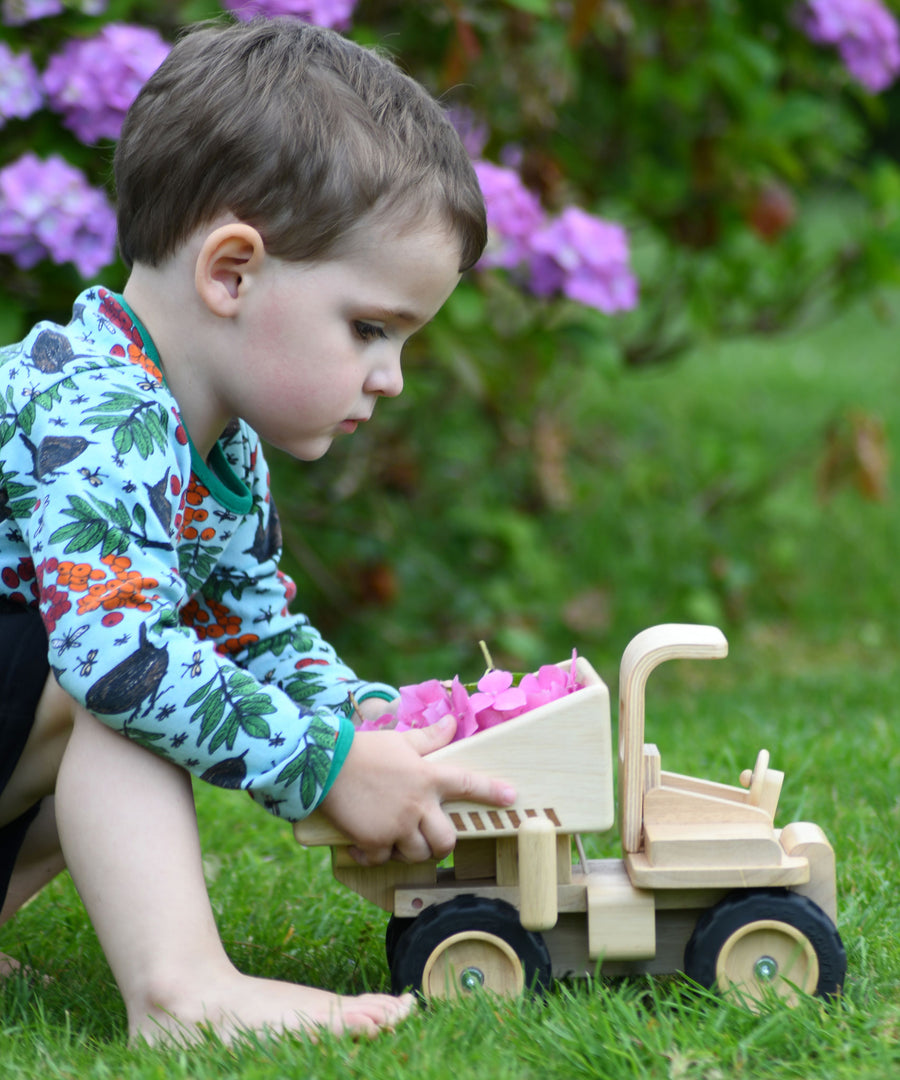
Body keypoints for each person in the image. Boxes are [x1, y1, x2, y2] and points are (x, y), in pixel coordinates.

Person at [0, 16, 516, 1045]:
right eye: (370, 328)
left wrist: (372, 734)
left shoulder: (216, 443)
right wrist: (321, 768)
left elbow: (258, 635)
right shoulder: (98, 407)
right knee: (126, 679)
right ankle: (181, 993)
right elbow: (117, 660)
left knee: (162, 667)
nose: (390, 377)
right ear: (232, 272)